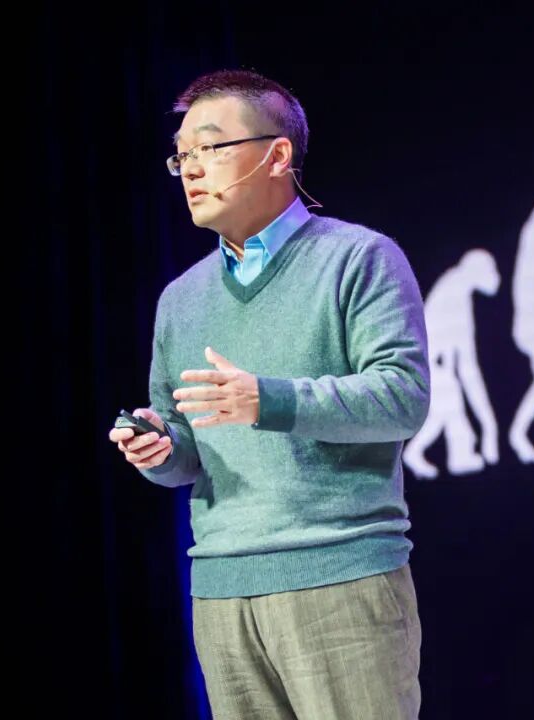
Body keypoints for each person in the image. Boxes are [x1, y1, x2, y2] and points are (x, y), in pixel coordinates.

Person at [106, 69, 429, 720]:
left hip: (339, 577)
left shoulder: (358, 258)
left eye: (210, 147)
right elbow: (186, 445)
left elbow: (403, 396)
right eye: (182, 156)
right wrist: (158, 448)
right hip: (222, 591)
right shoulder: (180, 300)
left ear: (277, 155)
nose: (192, 169)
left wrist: (267, 399)